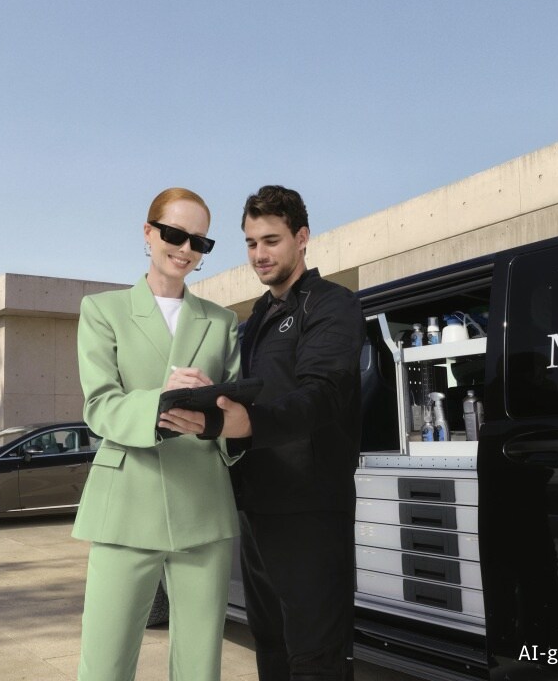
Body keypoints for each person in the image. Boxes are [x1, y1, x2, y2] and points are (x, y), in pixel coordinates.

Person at [73, 187, 242, 681]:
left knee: (199, 666)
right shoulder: (102, 310)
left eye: (200, 242)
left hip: (203, 505)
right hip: (126, 502)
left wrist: (215, 412)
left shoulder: (223, 322)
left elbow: (236, 414)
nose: (186, 249)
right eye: (175, 234)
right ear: (148, 233)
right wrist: (162, 399)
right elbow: (99, 405)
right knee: (104, 663)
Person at [217, 185, 366, 681]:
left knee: (315, 658)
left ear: (302, 238)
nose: (259, 254)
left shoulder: (331, 305)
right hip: (256, 509)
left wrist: (250, 423)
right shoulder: (256, 317)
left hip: (310, 510)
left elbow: (323, 394)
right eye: (250, 242)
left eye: (271, 240)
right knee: (271, 647)